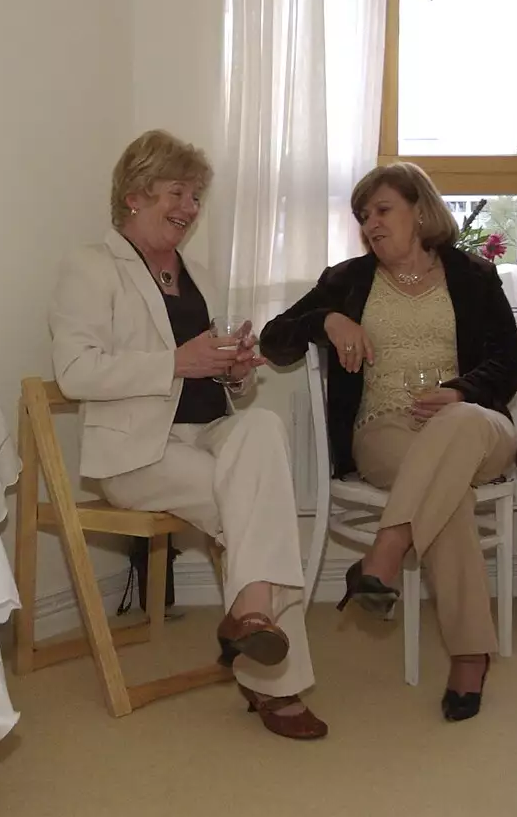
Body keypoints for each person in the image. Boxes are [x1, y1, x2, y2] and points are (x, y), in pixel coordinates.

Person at [48, 129, 326, 740]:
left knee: (261, 424)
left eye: (196, 196)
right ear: (136, 194)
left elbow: (224, 388)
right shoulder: (91, 266)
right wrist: (179, 360)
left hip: (210, 432)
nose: (189, 208)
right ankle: (275, 687)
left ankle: (249, 613)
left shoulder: (197, 272)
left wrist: (233, 372)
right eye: (178, 192)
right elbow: (74, 373)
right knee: (260, 503)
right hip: (138, 454)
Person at [259, 162, 517, 722]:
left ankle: (387, 549)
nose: (370, 224)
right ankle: (471, 655)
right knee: (446, 497)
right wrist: (326, 318)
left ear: (420, 210)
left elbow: (510, 361)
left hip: (473, 427)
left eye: (382, 210)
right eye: (362, 216)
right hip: (385, 430)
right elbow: (274, 339)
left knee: (458, 429)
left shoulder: (473, 276)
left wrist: (461, 392)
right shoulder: (349, 280)